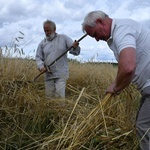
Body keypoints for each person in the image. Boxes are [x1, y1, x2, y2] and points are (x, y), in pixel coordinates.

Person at [82, 10, 150, 150]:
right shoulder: (120, 31)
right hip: (146, 88)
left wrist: (116, 87)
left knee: (143, 127)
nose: (96, 39)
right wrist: (117, 84)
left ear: (100, 22)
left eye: (94, 34)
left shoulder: (122, 30)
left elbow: (128, 67)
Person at [36, 20, 80, 99]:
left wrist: (75, 46)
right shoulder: (42, 43)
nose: (46, 33)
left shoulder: (63, 38)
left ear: (54, 29)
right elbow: (38, 57)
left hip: (61, 74)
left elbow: (75, 51)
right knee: (49, 98)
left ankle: (60, 111)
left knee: (59, 98)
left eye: (48, 30)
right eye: (45, 31)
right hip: (48, 75)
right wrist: (41, 67)